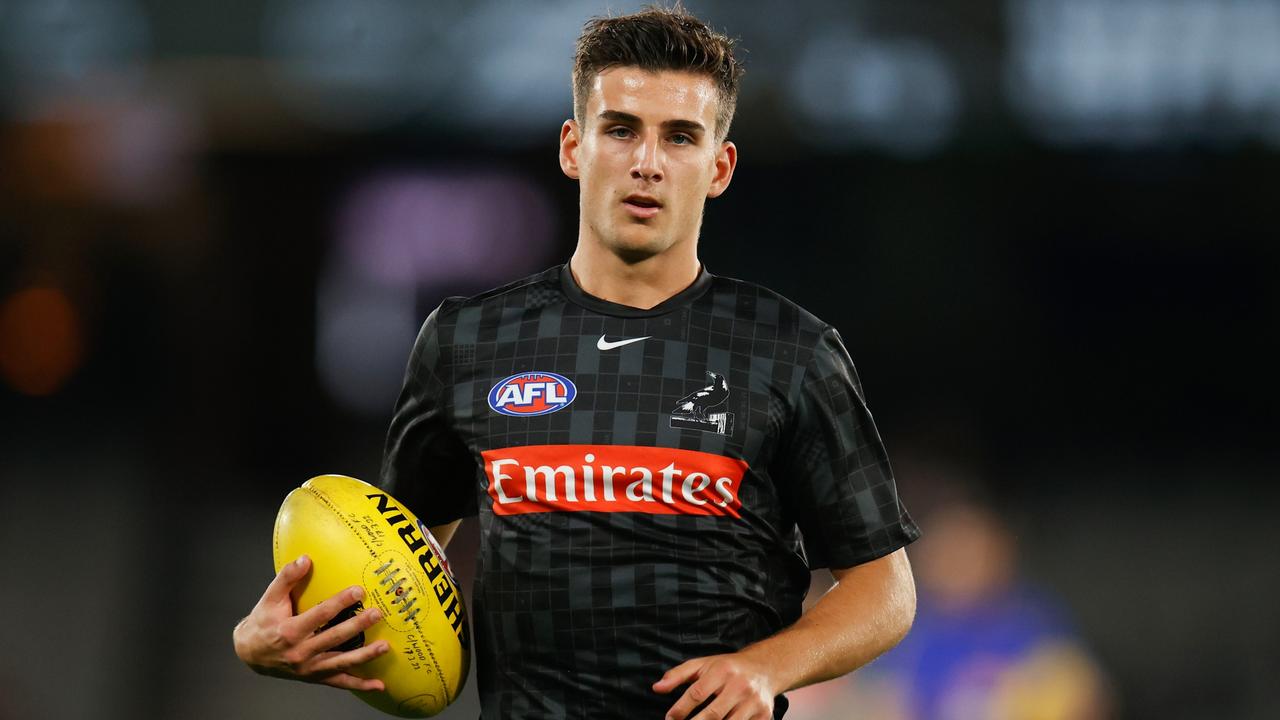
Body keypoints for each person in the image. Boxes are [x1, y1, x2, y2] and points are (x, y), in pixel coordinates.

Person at [234, 6, 921, 719]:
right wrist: (270, 642)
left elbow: (885, 590)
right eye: (620, 129)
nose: (647, 162)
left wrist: (766, 667)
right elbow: (398, 576)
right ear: (573, 146)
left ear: (719, 166)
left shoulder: (790, 348)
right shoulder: (469, 341)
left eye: (679, 137)